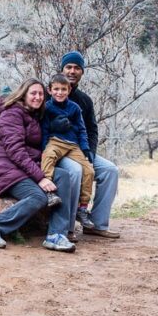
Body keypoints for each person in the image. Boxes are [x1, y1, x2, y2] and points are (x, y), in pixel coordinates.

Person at [0, 78, 80, 252]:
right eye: (33, 93)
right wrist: (41, 178)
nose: (38, 97)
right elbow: (15, 151)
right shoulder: (12, 113)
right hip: (5, 168)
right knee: (39, 197)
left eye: (41, 94)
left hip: (21, 166)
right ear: (23, 94)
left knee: (63, 176)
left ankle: (56, 235)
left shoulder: (32, 114)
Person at [56, 51, 121, 238]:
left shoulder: (84, 100)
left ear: (82, 72)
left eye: (77, 68)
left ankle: (97, 224)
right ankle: (67, 229)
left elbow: (92, 130)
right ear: (62, 69)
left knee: (110, 170)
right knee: (75, 171)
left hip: (80, 150)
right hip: (57, 152)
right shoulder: (50, 93)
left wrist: (90, 154)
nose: (72, 71)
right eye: (68, 67)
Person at [39, 74, 95, 229]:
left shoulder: (75, 108)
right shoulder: (48, 107)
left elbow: (83, 130)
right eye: (56, 89)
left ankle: (82, 208)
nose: (60, 92)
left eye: (63, 89)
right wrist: (44, 147)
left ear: (69, 90)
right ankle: (49, 192)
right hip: (55, 141)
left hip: (73, 145)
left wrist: (85, 148)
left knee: (89, 170)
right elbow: (44, 128)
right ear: (49, 90)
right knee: (48, 157)